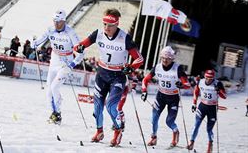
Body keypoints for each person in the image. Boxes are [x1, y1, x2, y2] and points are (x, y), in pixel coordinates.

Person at [74, 8, 144, 146]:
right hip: (102, 74)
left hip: (118, 76)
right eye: (104, 24)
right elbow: (80, 45)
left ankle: (118, 132)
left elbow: (139, 59)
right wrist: (79, 47)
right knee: (97, 106)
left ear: (117, 24)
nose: (107, 28)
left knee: (111, 107)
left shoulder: (125, 38)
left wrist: (130, 67)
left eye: (110, 25)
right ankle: (99, 132)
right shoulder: (98, 34)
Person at [32, 9, 84, 125]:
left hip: (66, 63)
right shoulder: (50, 30)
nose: (56, 23)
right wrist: (34, 43)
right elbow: (39, 40)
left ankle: (58, 112)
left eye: (59, 21)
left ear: (64, 21)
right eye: (54, 20)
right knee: (49, 90)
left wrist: (72, 64)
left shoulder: (71, 32)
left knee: (55, 87)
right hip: (54, 60)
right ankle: (54, 113)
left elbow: (81, 53)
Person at [141, 46, 190, 147]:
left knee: (169, 121)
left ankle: (175, 133)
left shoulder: (178, 68)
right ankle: (153, 137)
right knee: (154, 119)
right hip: (161, 96)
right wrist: (144, 91)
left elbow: (187, 84)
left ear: (172, 59)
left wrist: (182, 85)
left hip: (173, 98)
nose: (165, 60)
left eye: (167, 58)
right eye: (163, 58)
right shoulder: (157, 67)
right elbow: (145, 80)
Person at [187, 69, 226, 152]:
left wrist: (218, 91)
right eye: (207, 77)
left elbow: (224, 96)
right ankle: (191, 142)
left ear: (213, 78)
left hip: (212, 108)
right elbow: (196, 91)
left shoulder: (217, 83)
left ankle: (210, 145)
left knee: (209, 129)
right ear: (204, 76)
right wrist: (194, 103)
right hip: (202, 106)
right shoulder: (200, 82)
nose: (208, 79)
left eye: (210, 78)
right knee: (196, 124)